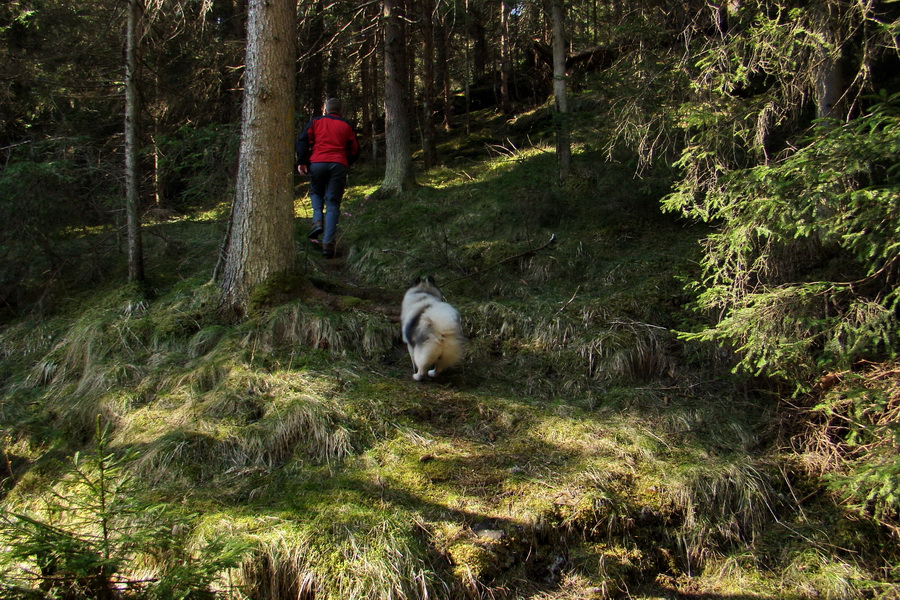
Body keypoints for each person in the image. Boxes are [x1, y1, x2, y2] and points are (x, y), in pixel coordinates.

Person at [295, 98, 360, 258]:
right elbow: (355, 149)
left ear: (325, 110)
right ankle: (328, 244)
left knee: (316, 193)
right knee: (333, 203)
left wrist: (302, 161)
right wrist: (345, 162)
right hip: (338, 164)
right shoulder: (346, 126)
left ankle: (317, 220)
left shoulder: (316, 122)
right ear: (341, 112)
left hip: (317, 163)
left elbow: (303, 141)